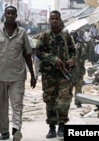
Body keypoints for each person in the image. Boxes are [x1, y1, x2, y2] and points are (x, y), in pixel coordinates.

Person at [0, 6, 36, 141]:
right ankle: (4, 131)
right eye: (8, 13)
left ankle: (16, 129)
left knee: (17, 104)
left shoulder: (22, 33)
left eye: (13, 13)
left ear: (16, 15)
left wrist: (33, 75)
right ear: (5, 15)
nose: (10, 15)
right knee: (1, 106)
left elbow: (27, 55)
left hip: (17, 76)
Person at [35, 10, 77, 138]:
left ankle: (62, 126)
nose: (54, 21)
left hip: (64, 74)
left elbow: (74, 51)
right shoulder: (44, 36)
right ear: (49, 20)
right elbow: (38, 52)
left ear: (60, 20)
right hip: (49, 75)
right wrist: (53, 59)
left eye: (56, 19)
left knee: (64, 100)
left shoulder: (66, 36)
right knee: (50, 101)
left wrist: (72, 60)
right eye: (52, 18)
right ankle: (52, 127)